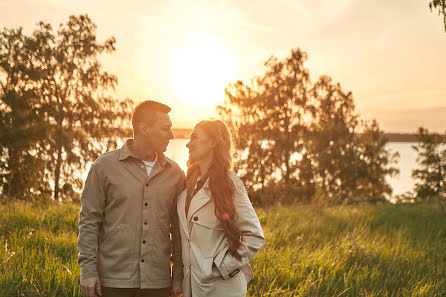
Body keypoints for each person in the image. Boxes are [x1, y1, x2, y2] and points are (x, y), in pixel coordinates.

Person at [77, 100, 183, 297]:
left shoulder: (175, 173)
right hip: (112, 282)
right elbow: (89, 221)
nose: (171, 135)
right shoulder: (104, 167)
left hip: (158, 283)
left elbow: (178, 230)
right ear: (144, 128)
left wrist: (178, 275)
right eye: (165, 128)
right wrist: (88, 271)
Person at [177, 120, 265, 297]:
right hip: (192, 288)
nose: (188, 143)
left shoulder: (229, 183)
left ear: (212, 142)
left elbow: (254, 236)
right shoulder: (188, 184)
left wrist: (221, 267)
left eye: (194, 138)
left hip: (221, 289)